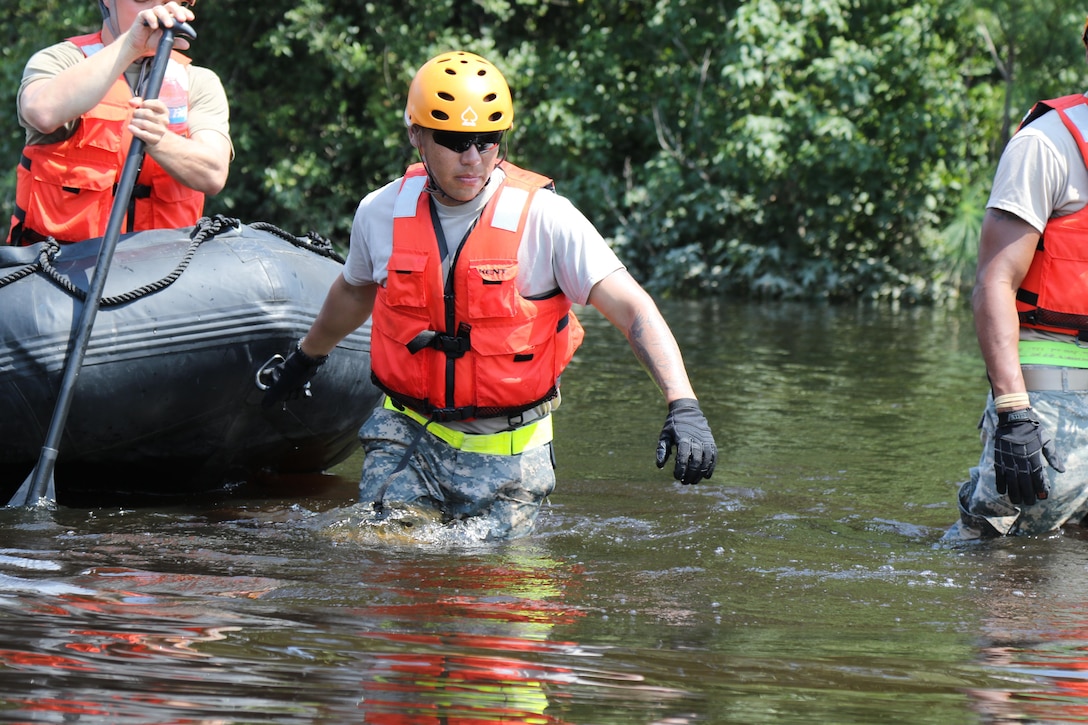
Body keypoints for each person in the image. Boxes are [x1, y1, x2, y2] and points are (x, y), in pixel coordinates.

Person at [262, 50, 717, 540]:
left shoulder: (547, 219)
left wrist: (682, 403)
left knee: (496, 599)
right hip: (407, 437)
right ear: (416, 135)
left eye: (487, 140)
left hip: (509, 457)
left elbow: (633, 309)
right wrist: (305, 360)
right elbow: (354, 292)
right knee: (390, 565)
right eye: (455, 141)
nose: (473, 158)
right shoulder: (380, 211)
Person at [943, 22, 1088, 541]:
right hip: (1048, 402)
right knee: (997, 554)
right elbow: (993, 283)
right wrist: (1012, 412)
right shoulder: (1046, 146)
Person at [6, 0, 232, 246]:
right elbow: (42, 112)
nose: (156, 11)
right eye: (142, 0)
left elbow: (213, 174)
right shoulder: (61, 60)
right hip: (62, 265)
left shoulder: (197, 81)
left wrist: (159, 140)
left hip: (164, 270)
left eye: (169, 2)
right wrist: (131, 44)